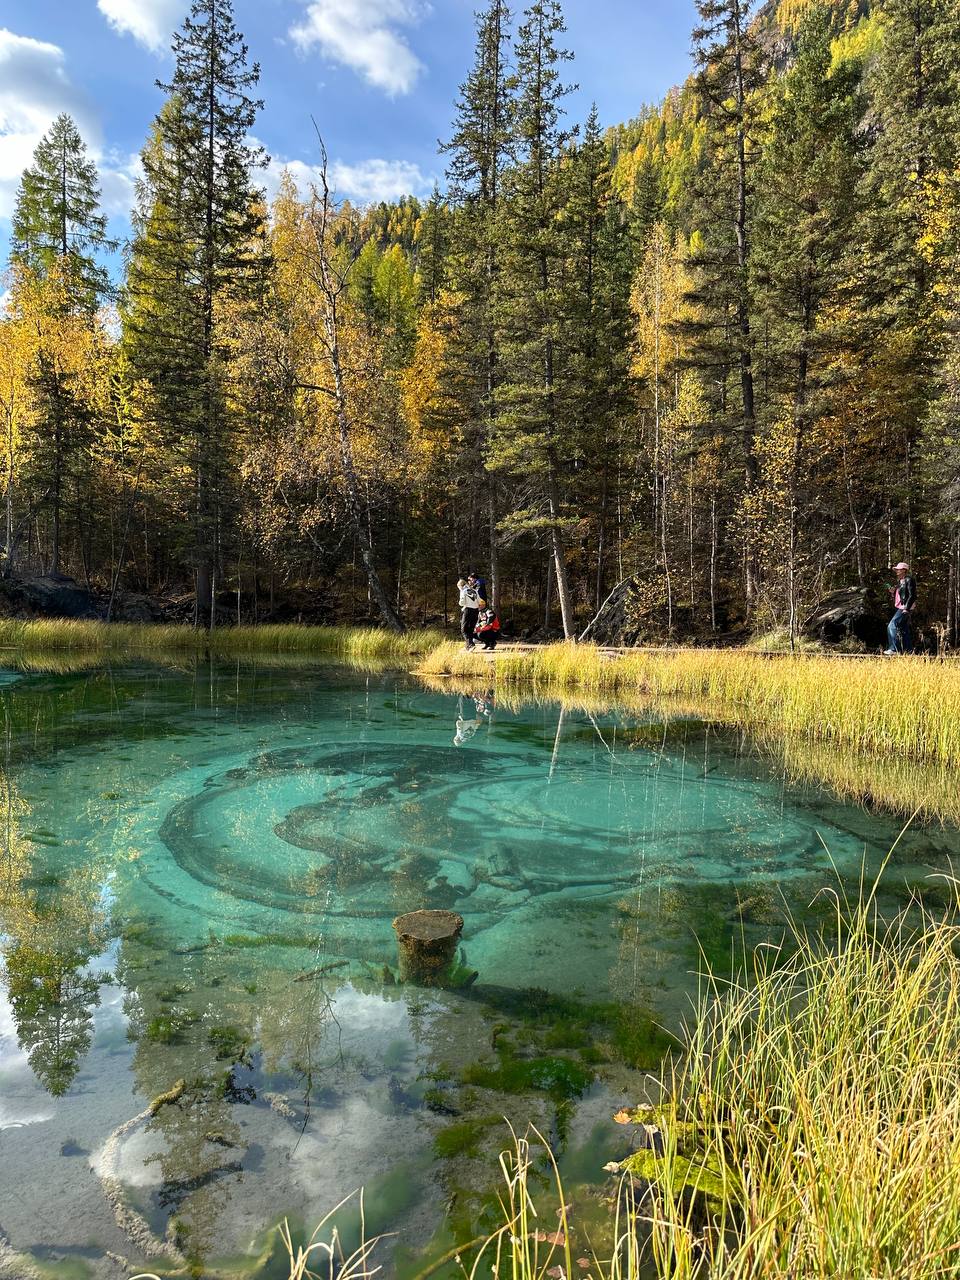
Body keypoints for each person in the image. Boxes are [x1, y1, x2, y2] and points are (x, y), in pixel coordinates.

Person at [885, 561, 917, 655]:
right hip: (902, 606)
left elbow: (912, 595)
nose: (897, 571)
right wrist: (893, 592)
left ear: (904, 570)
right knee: (903, 629)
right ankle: (909, 651)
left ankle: (893, 649)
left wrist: (906, 608)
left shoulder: (909, 579)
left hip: (905, 607)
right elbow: (901, 595)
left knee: (892, 625)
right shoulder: (900, 581)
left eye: (898, 569)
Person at [458, 577, 481, 649]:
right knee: (471, 629)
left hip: (468, 610)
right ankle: (468, 646)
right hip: (475, 611)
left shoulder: (463, 591)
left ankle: (470, 644)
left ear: (460, 586)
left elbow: (462, 603)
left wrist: (461, 604)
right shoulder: (474, 591)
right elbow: (480, 601)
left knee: (464, 629)